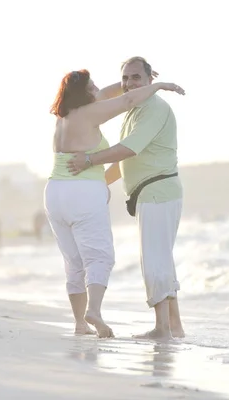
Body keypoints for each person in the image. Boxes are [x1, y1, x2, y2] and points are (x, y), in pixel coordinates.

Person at [44, 68, 185, 338]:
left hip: (54, 191)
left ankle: (80, 323)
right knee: (100, 257)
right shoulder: (90, 113)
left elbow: (111, 94)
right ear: (85, 93)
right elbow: (127, 101)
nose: (99, 89)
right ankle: (94, 311)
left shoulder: (63, 116)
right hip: (82, 191)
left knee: (73, 261)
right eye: (93, 86)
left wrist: (128, 83)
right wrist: (159, 86)